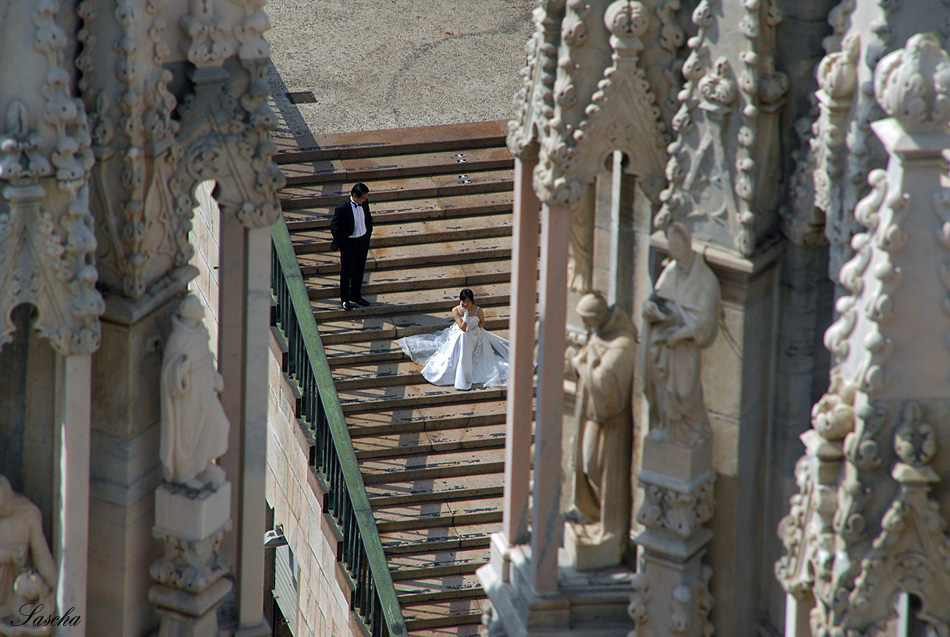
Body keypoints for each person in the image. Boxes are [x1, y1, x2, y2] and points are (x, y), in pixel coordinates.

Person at [568, 292, 638, 568]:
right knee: (587, 466)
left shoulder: (622, 343)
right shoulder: (599, 334)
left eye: (587, 320)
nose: (586, 327)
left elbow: (604, 383)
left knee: (600, 469)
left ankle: (608, 527)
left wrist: (579, 363)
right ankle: (593, 513)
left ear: (597, 316)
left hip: (612, 424)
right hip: (592, 415)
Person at [641, 222, 720, 447]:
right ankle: (667, 429)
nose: (673, 251)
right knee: (664, 389)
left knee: (685, 392)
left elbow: (705, 323)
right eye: (670, 246)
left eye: (676, 245)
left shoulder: (705, 280)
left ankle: (695, 430)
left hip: (685, 346)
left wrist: (680, 335)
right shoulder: (671, 270)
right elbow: (658, 297)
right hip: (665, 343)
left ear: (687, 243)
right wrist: (650, 308)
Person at [160, 296, 230, 490]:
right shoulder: (179, 338)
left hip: (205, 389)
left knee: (220, 425)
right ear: (190, 312)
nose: (202, 308)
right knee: (187, 437)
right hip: (188, 395)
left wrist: (214, 377)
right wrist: (181, 371)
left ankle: (203, 464)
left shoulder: (199, 333)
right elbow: (169, 374)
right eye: (198, 306)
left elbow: (205, 358)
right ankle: (185, 474)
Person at [395, 289, 511, 390]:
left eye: (468, 302)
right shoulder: (456, 310)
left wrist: (476, 330)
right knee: (462, 336)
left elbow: (482, 322)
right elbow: (462, 328)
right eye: (463, 301)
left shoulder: (478, 310)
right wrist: (465, 315)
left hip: (475, 335)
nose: (465, 304)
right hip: (462, 333)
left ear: (472, 301)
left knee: (465, 337)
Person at [0, 475, 57, 631]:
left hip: (14, 593)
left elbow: (42, 556)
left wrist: (55, 589)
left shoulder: (27, 514)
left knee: (28, 594)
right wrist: (7, 554)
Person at [330, 183, 373, 311]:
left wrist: (367, 236)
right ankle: (345, 299)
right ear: (355, 196)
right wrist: (344, 244)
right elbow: (334, 227)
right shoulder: (342, 208)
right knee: (346, 272)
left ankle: (356, 295)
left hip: (362, 241)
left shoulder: (364, 203)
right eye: (363, 197)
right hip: (349, 243)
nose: (365, 200)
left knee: (359, 270)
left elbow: (368, 219)